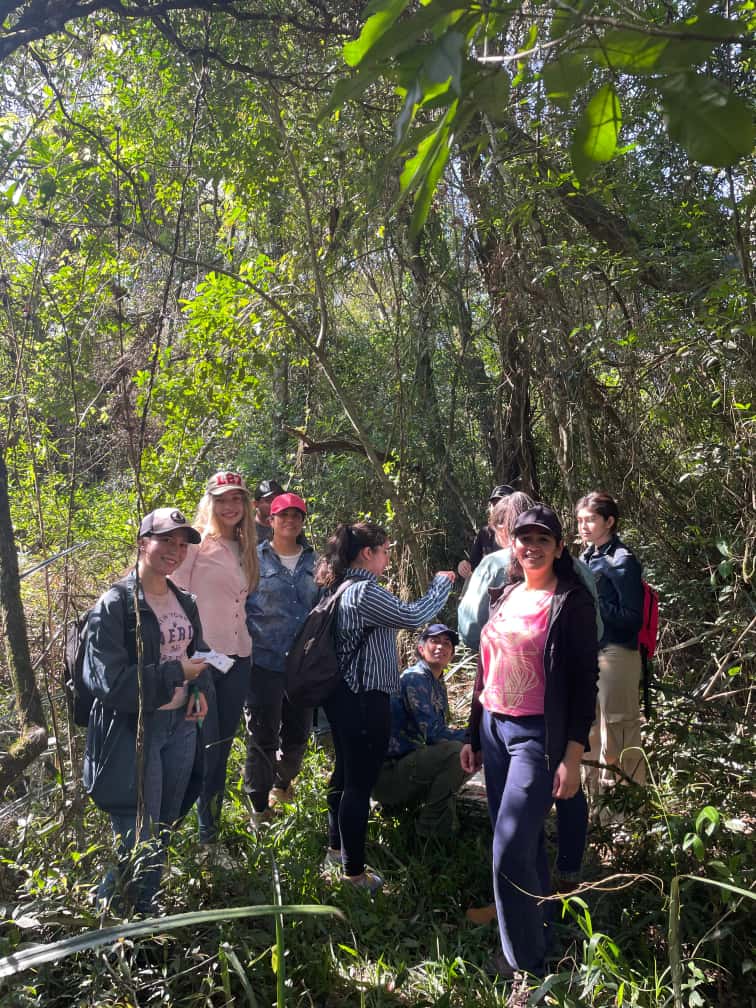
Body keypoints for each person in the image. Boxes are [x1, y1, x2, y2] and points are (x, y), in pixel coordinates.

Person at [460, 505, 598, 977]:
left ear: (560, 548)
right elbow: (485, 666)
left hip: (538, 737)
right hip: (496, 730)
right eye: (524, 538)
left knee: (507, 846)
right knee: (526, 845)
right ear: (512, 546)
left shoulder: (572, 601)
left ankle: (526, 965)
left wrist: (573, 755)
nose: (532, 546)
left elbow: (584, 684)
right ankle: (538, 926)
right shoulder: (505, 594)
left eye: (543, 539)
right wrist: (473, 731)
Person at [82, 507, 211, 914]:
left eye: (181, 543)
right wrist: (176, 672)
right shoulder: (116, 604)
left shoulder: (184, 600)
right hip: (137, 728)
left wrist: (197, 689)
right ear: (143, 544)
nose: (174, 550)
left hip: (181, 724)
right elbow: (111, 683)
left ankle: (144, 908)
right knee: (139, 830)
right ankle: (111, 916)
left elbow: (196, 652)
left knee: (168, 820)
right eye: (165, 541)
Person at [316, 523, 455, 893]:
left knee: (345, 776)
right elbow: (413, 616)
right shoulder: (363, 592)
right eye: (385, 551)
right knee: (358, 785)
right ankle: (354, 874)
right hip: (364, 699)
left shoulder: (340, 588)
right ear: (368, 553)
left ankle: (335, 851)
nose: (387, 558)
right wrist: (442, 584)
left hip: (345, 696)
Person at [173, 471, 259, 855]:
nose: (230, 507)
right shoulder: (194, 545)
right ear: (210, 502)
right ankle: (171, 835)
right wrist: (190, 665)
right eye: (222, 500)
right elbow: (174, 607)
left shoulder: (246, 547)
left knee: (221, 749)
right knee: (201, 751)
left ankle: (210, 837)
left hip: (239, 657)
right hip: (204, 659)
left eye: (236, 500)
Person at [244, 492, 318, 825]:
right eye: (282, 515)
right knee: (262, 737)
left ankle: (282, 782)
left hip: (304, 667)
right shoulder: (253, 561)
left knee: (298, 737)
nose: (289, 521)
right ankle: (259, 810)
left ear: (302, 522)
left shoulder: (317, 564)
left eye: (296, 516)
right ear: (270, 520)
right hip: (263, 663)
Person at [372, 624, 469, 839]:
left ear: (452, 654)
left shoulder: (435, 682)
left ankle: (423, 811)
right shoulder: (415, 678)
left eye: (447, 644)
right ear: (421, 648)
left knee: (465, 750)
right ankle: (430, 830)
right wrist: (477, 736)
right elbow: (433, 734)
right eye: (434, 641)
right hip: (387, 775)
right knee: (457, 752)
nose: (440, 647)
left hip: (406, 768)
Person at [576, 491, 646, 790]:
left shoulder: (622, 560)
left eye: (591, 519)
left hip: (618, 654)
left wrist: (592, 603)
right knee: (589, 731)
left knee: (618, 731)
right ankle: (595, 811)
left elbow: (633, 617)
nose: (584, 526)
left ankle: (626, 814)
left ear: (610, 521)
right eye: (580, 520)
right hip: (589, 654)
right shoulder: (586, 557)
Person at [457, 484, 514, 580]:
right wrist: (462, 567)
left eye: (503, 504)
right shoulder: (484, 533)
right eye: (494, 504)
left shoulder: (522, 533)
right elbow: (472, 565)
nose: (498, 508)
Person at [253, 479, 284, 543]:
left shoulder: (289, 526)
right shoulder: (245, 531)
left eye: (278, 500)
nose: (275, 504)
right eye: (268, 500)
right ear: (256, 504)